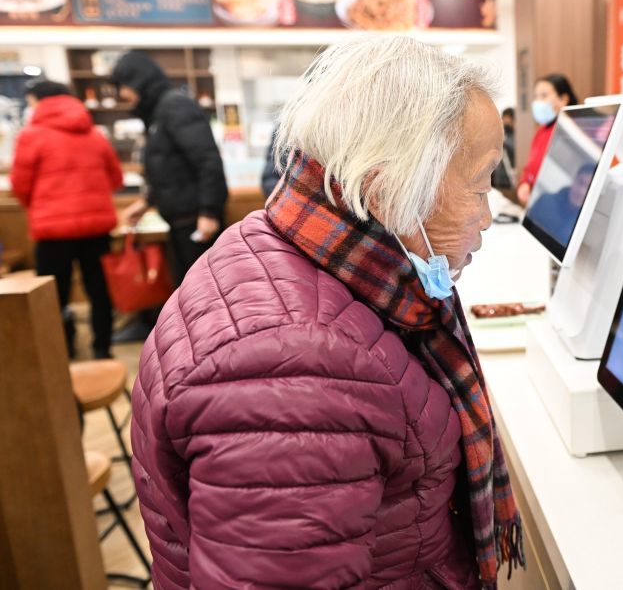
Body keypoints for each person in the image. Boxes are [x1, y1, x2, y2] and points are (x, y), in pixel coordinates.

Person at [130, 36, 523, 589]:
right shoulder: (297, 371)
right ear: (385, 188)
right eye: (480, 183)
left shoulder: (283, 241)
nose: (487, 215)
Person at [11, 80, 121, 359]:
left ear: (39, 101)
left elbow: (20, 186)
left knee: (51, 295)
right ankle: (102, 349)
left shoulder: (31, 135)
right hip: (96, 228)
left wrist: (39, 207)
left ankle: (62, 350)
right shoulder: (95, 134)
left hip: (52, 230)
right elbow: (116, 179)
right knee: (99, 290)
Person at [110, 51, 228, 285]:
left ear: (139, 81)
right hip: (181, 221)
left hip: (195, 221)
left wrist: (209, 211)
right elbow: (166, 167)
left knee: (207, 291)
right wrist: (146, 202)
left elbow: (208, 160)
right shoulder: (158, 113)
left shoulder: (174, 106)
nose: (121, 94)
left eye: (123, 85)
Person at [516, 73, 578, 205]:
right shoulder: (542, 130)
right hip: (540, 200)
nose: (538, 101)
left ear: (563, 99)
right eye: (536, 96)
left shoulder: (571, 131)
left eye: (544, 96)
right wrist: (525, 182)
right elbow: (531, 165)